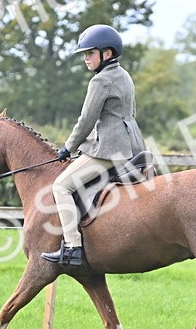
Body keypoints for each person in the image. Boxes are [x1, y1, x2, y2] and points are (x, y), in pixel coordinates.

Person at [41, 24, 145, 267]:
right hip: (133, 144)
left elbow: (86, 120)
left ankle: (73, 247)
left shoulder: (100, 81)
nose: (86, 58)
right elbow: (126, 114)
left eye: (90, 53)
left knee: (61, 186)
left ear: (106, 54)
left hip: (109, 150)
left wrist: (68, 147)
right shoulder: (124, 75)